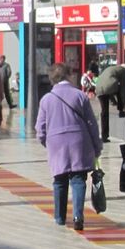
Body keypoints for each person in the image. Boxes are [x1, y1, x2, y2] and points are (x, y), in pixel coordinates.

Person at [35, 62, 102, 230]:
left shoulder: (46, 100)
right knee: (78, 179)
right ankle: (78, 215)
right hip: (79, 141)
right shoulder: (80, 96)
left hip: (56, 143)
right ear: (68, 76)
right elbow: (92, 123)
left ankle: (59, 217)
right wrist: (97, 145)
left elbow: (40, 128)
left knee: (59, 180)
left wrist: (46, 142)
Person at [95, 63, 125, 142]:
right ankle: (121, 111)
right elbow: (124, 89)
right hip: (108, 87)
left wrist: (113, 101)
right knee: (120, 89)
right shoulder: (123, 71)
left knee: (104, 112)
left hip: (98, 88)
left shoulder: (112, 68)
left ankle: (104, 136)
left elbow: (107, 83)